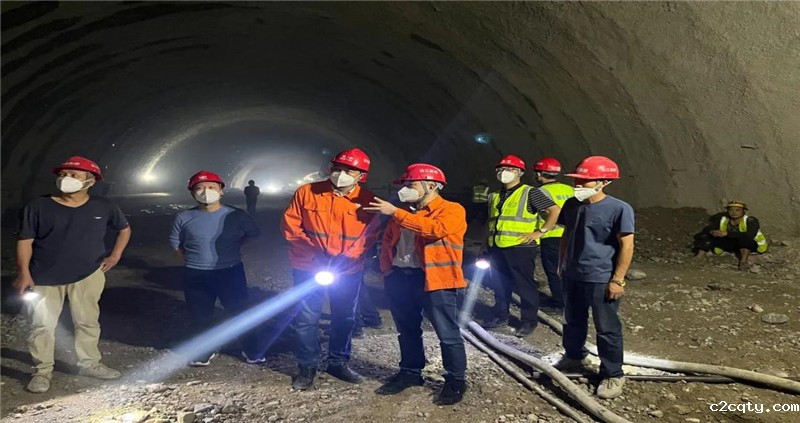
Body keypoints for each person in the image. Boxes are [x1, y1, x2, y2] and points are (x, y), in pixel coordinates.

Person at [14, 156, 132, 393]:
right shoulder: (38, 206)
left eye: (74, 175)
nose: (66, 179)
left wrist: (115, 256)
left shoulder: (103, 206)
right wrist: (24, 273)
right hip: (44, 276)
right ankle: (42, 371)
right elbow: (25, 240)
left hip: (88, 274)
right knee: (42, 325)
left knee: (87, 322)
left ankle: (89, 364)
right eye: (63, 174)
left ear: (90, 181)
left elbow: (124, 229)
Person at [364, 163, 468, 405]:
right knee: (407, 329)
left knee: (447, 333)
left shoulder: (452, 210)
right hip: (401, 277)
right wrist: (387, 272)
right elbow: (387, 243)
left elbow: (435, 229)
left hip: (435, 280)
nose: (406, 189)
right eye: (405, 185)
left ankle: (455, 379)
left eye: (411, 184)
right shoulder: (403, 213)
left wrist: (396, 213)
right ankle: (410, 372)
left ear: (431, 185)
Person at [281, 148, 379, 390]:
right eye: (337, 168)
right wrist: (314, 253)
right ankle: (307, 366)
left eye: (349, 170)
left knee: (344, 317)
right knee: (306, 318)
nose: (341, 174)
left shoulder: (369, 201)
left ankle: (338, 362)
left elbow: (369, 235)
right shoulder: (307, 192)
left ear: (361, 176)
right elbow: (291, 227)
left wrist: (346, 258)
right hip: (308, 266)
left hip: (347, 270)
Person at [553, 156, 634, 400]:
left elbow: (627, 245)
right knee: (572, 320)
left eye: (584, 181)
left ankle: (613, 373)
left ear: (604, 182)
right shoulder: (571, 205)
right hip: (573, 274)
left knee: (607, 328)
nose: (578, 184)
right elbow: (567, 233)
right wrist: (562, 263)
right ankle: (574, 357)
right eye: (577, 179)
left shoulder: (619, 209)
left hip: (600, 277)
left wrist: (617, 279)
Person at [169, 170, 263, 366]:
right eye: (200, 188)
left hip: (229, 272)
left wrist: (236, 246)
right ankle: (204, 352)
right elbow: (175, 243)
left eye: (211, 187)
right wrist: (190, 262)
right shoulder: (183, 217)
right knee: (200, 316)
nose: (206, 191)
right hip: (196, 274)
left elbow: (253, 234)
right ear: (192, 193)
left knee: (240, 312)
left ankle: (252, 350)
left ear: (221, 191)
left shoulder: (236, 215)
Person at [483, 155, 560, 337]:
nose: (504, 172)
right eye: (501, 169)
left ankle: (528, 321)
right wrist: (484, 242)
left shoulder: (530, 193)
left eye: (510, 169)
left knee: (525, 285)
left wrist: (540, 231)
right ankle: (501, 315)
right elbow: (491, 221)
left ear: (520, 173)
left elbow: (554, 210)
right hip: (497, 246)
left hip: (520, 247)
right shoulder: (494, 195)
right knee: (499, 283)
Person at [532, 157, 574, 310]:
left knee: (554, 271)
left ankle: (559, 304)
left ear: (539, 174)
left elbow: (549, 213)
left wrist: (540, 231)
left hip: (552, 236)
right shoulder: (569, 189)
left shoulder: (540, 192)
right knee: (569, 270)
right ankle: (572, 301)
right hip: (572, 235)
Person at [694, 201, 768, 270]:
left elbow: (750, 235)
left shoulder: (750, 221)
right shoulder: (723, 219)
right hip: (730, 243)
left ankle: (743, 262)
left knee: (745, 238)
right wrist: (713, 232)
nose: (734, 212)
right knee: (707, 236)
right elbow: (709, 228)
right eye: (731, 210)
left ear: (743, 211)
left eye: (737, 210)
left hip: (749, 245)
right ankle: (699, 257)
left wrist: (727, 233)